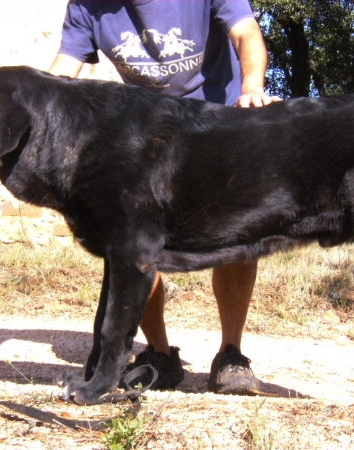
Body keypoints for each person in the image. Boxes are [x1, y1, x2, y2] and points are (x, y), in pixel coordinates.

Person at [49, 0, 279, 395]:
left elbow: (246, 33)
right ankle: (158, 353)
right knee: (136, 244)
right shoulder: (88, 5)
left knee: (241, 241)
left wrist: (252, 89)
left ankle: (231, 356)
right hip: (148, 138)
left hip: (220, 123)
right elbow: (60, 75)